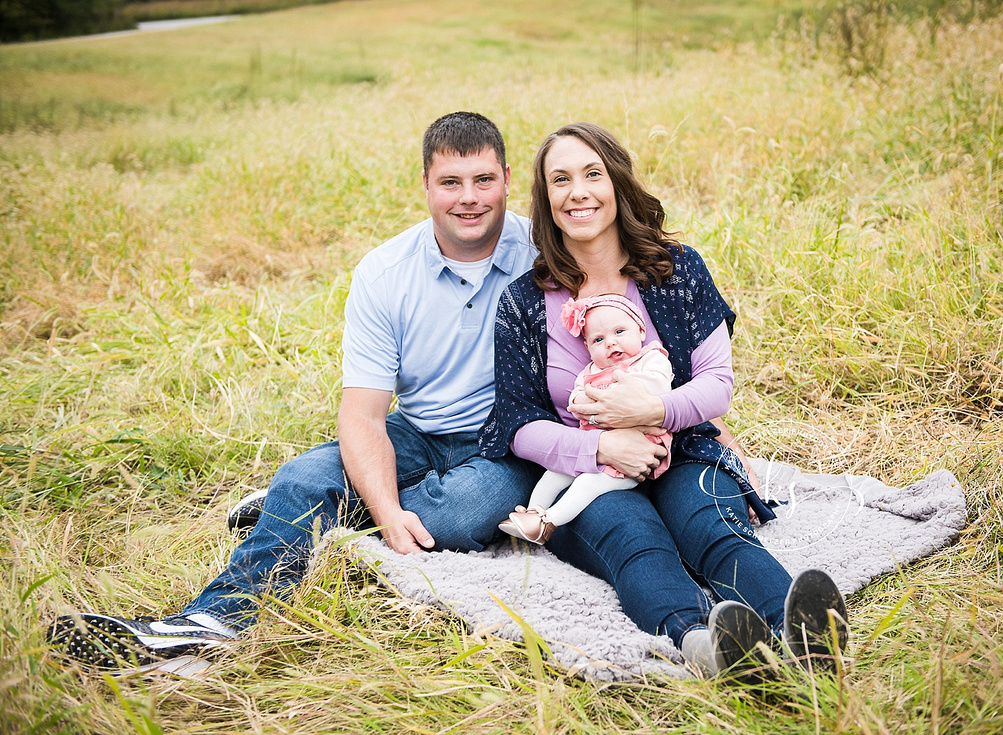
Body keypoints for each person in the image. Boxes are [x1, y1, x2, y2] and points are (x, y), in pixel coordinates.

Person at [49, 111, 542, 672]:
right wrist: (385, 511)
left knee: (459, 516)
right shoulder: (384, 274)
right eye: (450, 182)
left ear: (506, 177)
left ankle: (316, 510)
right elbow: (364, 416)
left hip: (509, 437)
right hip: (419, 429)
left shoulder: (542, 254)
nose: (469, 198)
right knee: (303, 477)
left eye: (483, 180)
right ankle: (206, 628)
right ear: (424, 185)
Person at [479, 122, 849, 679]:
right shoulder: (524, 302)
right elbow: (516, 421)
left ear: (617, 182)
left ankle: (804, 633)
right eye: (560, 179)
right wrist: (603, 446)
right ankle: (707, 646)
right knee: (638, 544)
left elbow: (715, 383)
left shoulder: (676, 271)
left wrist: (651, 413)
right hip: (586, 474)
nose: (578, 191)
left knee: (709, 528)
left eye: (592, 174)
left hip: (682, 447)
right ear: (545, 198)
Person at [498, 293, 674, 544]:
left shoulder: (651, 359)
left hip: (638, 452)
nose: (611, 344)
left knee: (587, 484)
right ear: (588, 348)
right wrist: (587, 403)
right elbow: (576, 402)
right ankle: (532, 513)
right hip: (594, 447)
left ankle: (548, 523)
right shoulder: (591, 371)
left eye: (620, 331)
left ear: (641, 330)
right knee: (554, 473)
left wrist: (612, 396)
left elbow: (658, 386)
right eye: (599, 339)